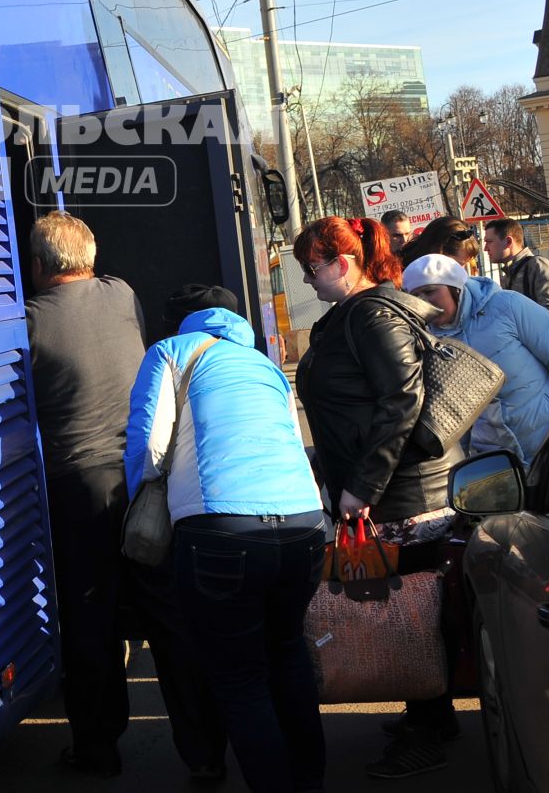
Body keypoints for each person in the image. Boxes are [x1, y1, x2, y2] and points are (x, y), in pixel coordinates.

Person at [127, 284, 326, 793]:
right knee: (287, 652)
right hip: (304, 524)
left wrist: (143, 503)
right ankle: (310, 781)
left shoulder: (169, 353)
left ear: (183, 324)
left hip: (221, 529)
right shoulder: (263, 364)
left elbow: (148, 449)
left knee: (240, 679)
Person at [293, 217, 459, 780]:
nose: (308, 281)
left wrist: (363, 485)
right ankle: (430, 717)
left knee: (408, 613)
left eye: (312, 268)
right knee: (408, 609)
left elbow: (401, 401)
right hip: (384, 488)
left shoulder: (369, 315)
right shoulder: (350, 316)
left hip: (402, 493)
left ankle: (427, 730)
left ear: (342, 264)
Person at [23, 211, 147, 777]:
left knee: (89, 618)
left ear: (39, 264)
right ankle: (205, 746)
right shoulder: (122, 294)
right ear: (91, 259)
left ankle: (98, 747)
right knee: (160, 608)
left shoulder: (27, 322)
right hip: (141, 476)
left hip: (77, 485)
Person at [401, 254, 549, 461]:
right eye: (416, 295)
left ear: (454, 287)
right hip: (498, 457)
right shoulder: (427, 341)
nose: (424, 301)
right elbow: (452, 415)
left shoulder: (508, 306)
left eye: (430, 291)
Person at [483, 218, 549, 320]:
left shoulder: (537, 266)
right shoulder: (510, 273)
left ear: (508, 241)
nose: (485, 248)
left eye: (489, 241)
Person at [397, 215, 478, 269]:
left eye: (465, 265)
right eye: (457, 265)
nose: (462, 271)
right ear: (436, 252)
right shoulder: (402, 278)